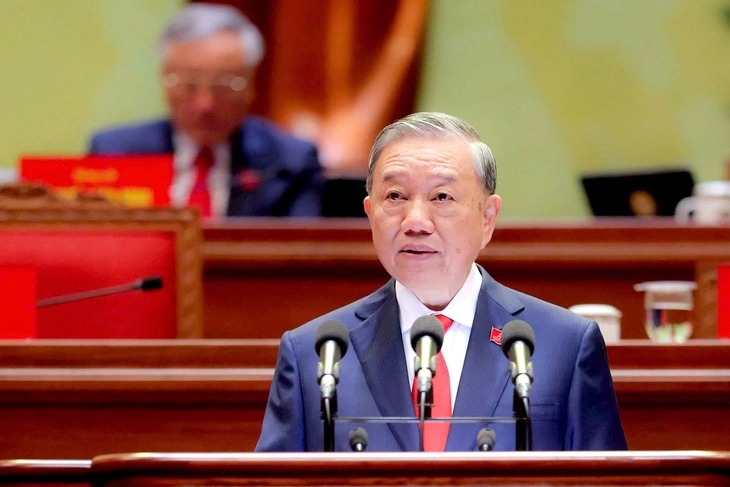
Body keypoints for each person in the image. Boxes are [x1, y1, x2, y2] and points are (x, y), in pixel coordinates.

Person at [255, 112, 627, 452]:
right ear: (370, 212)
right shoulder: (312, 354)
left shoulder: (564, 345)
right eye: (395, 196)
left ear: (487, 217)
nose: (415, 221)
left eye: (442, 197)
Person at [88, 4, 323, 218]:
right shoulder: (115, 154)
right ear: (164, 80)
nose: (205, 104)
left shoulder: (290, 162)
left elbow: (300, 247)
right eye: (188, 85)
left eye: (224, 86)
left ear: (251, 85)